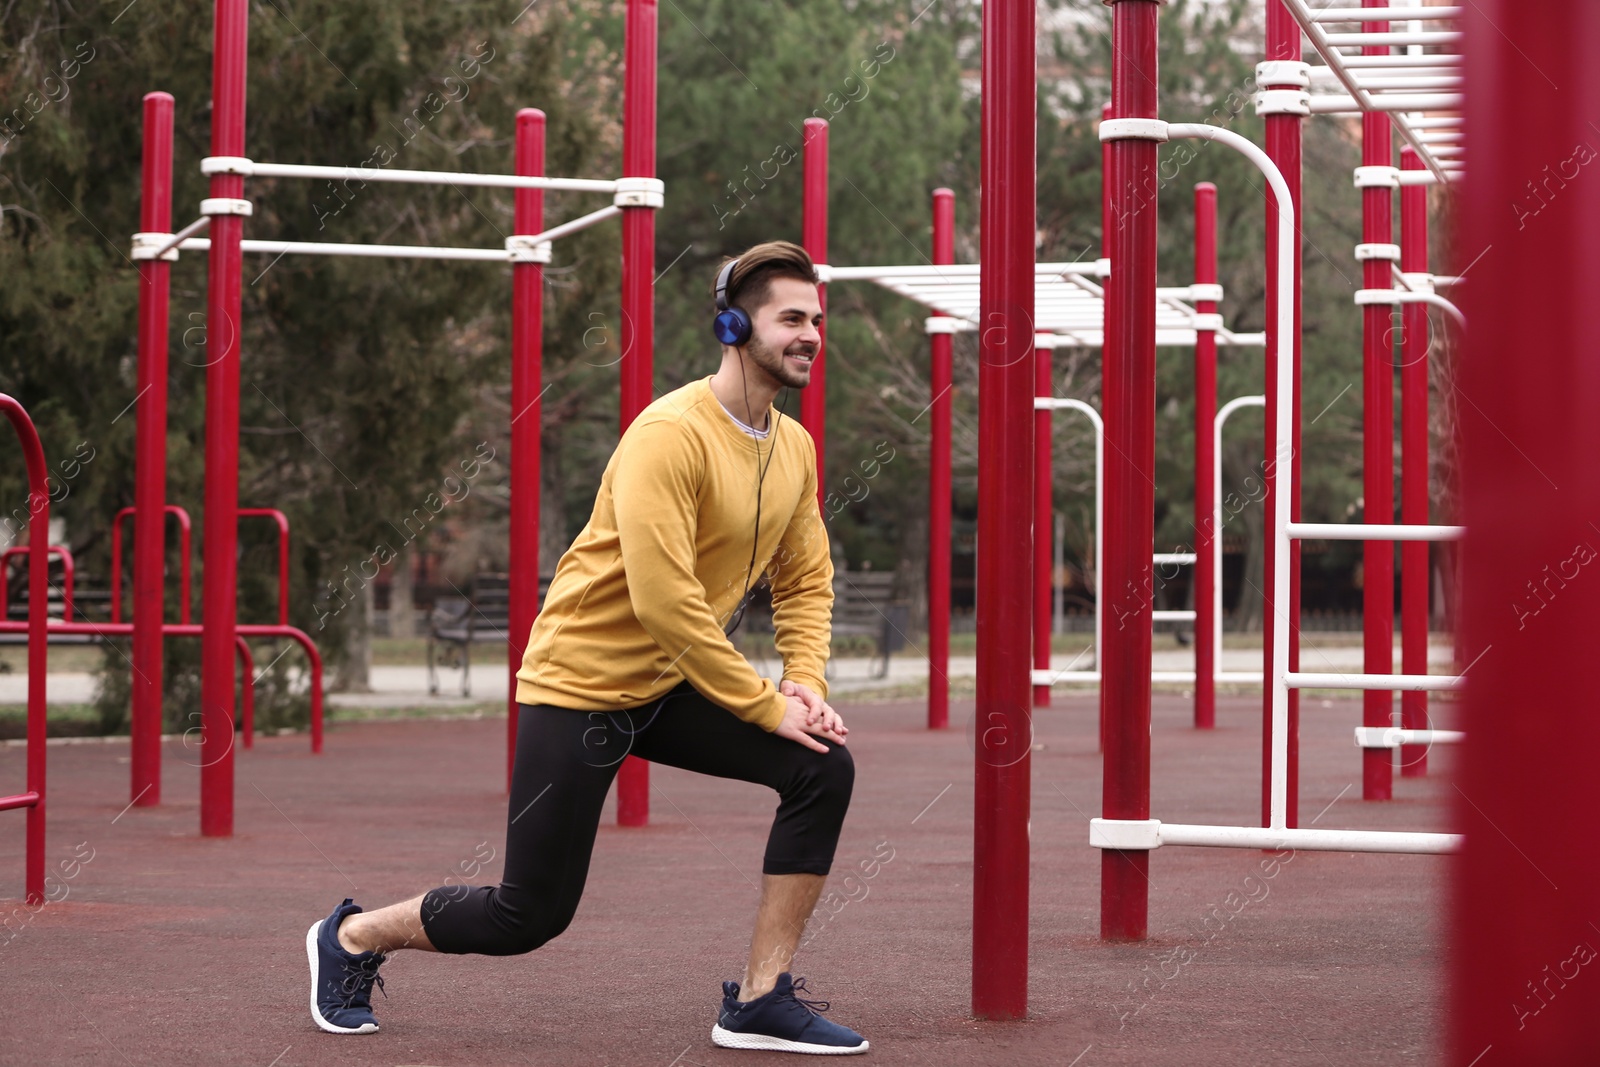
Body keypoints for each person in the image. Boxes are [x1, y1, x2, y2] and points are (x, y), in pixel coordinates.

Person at [305, 240, 868, 1055]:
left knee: (821, 763)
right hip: (582, 688)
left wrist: (804, 683)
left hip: (673, 686)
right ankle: (351, 936)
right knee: (527, 914)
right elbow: (666, 601)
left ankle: (758, 998)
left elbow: (807, 581)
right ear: (734, 324)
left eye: (817, 319)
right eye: (792, 318)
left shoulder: (794, 449)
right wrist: (759, 702)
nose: (811, 333)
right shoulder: (667, 436)